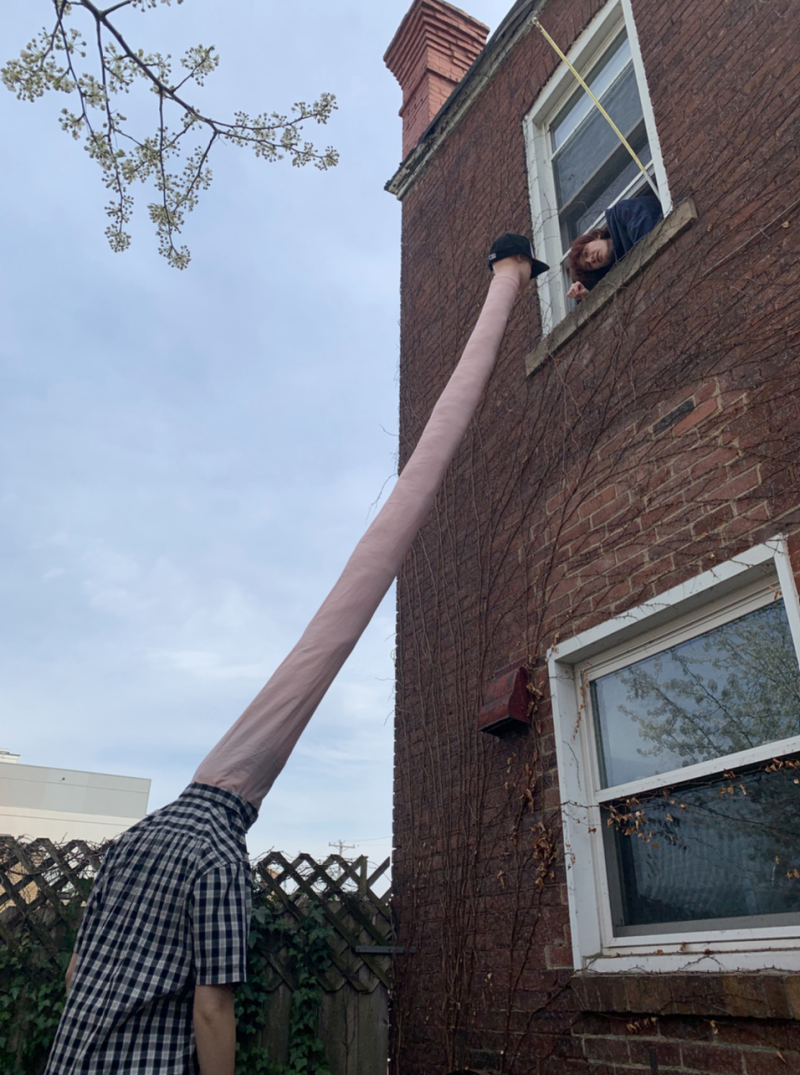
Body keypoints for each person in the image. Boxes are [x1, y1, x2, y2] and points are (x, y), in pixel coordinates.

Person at [44, 234, 548, 1075]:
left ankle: (507, 280)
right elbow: (213, 1007)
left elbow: (75, 969)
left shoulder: (134, 843)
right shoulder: (215, 856)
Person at [566, 193, 662, 301]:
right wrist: (588, 295)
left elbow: (652, 245)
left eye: (586, 253)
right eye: (588, 266)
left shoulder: (620, 213)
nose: (591, 259)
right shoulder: (617, 271)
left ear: (596, 237)